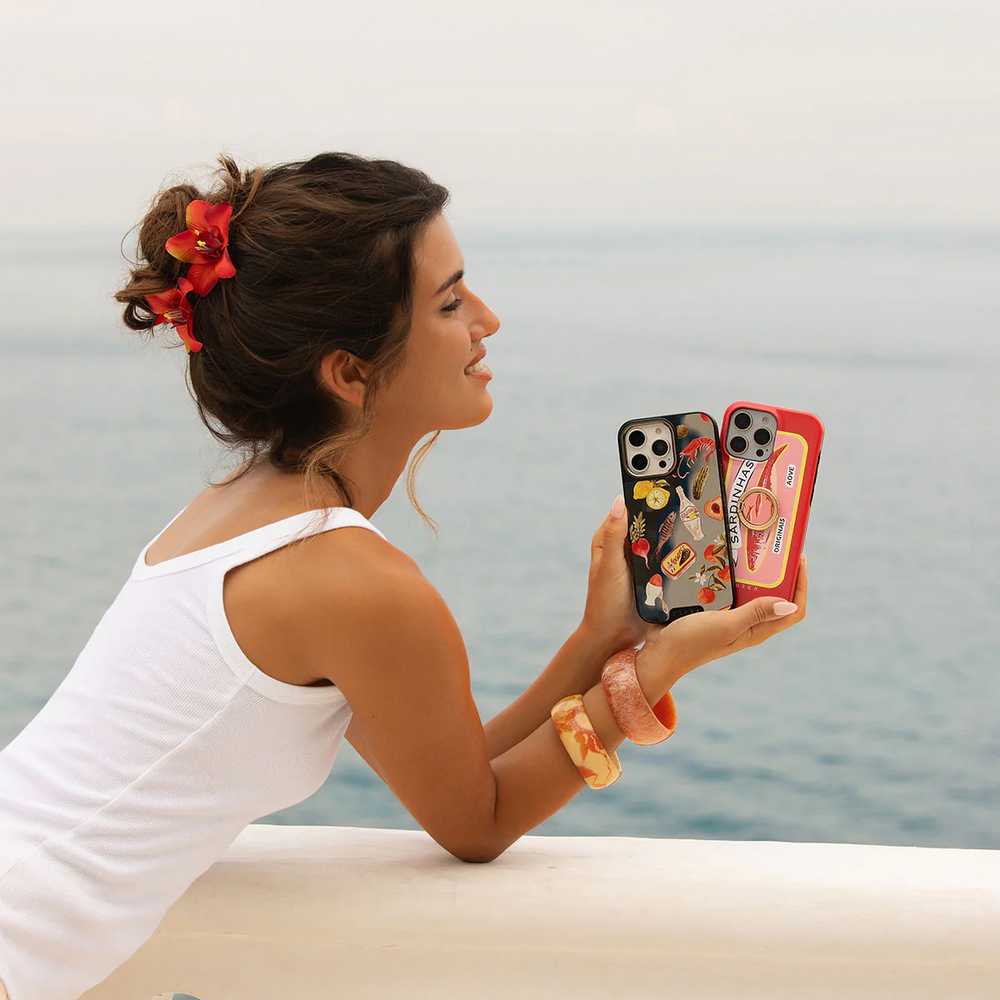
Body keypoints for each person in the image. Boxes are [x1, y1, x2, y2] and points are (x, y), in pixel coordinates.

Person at [0, 151, 806, 1000]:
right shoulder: (347, 577)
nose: (488, 320)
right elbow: (478, 822)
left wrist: (602, 640)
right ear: (349, 372)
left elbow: (458, 769)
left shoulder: (241, 514)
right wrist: (659, 669)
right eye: (451, 303)